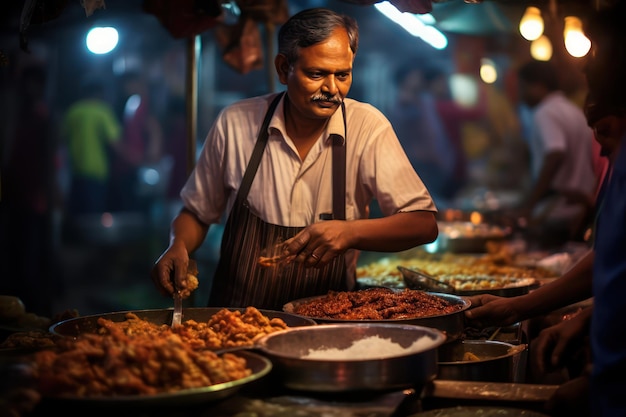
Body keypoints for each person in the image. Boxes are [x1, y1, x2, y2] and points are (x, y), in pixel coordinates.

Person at [151, 7, 438, 310]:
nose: (331, 89)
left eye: (342, 75)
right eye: (316, 74)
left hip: (328, 323)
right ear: (283, 68)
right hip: (237, 321)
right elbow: (197, 213)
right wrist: (178, 245)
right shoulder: (235, 124)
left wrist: (350, 232)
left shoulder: (367, 127)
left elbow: (423, 224)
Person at [514, 59, 598, 246]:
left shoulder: (545, 112)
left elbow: (555, 153)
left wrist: (530, 203)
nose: (520, 95)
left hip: (556, 212)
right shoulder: (572, 110)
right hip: (578, 210)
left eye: (522, 87)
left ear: (537, 86)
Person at [387, 63, 459, 207]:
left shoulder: (423, 101)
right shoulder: (405, 104)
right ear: (405, 79)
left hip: (436, 168)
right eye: (415, 75)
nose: (419, 78)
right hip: (422, 169)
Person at [60, 77, 124, 215]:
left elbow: (61, 141)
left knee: (78, 216)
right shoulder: (102, 112)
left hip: (76, 172)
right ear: (100, 94)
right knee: (93, 217)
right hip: (97, 172)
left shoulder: (72, 112)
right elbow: (115, 143)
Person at [109, 70, 164, 214]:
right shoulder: (130, 104)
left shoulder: (142, 105)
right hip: (127, 168)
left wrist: (149, 158)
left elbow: (153, 129)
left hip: (139, 169)